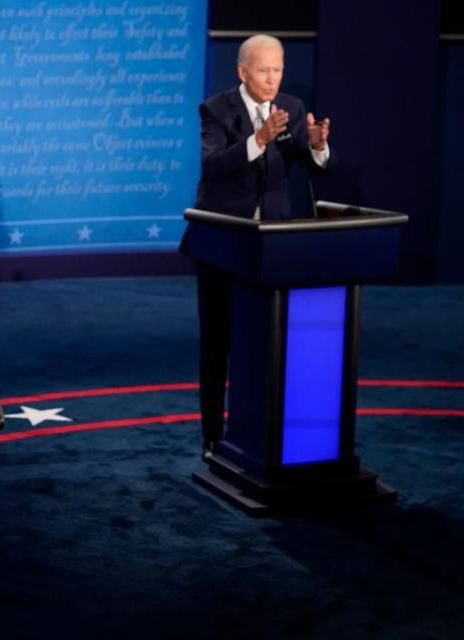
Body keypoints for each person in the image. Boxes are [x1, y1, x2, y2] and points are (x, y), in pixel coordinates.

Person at [181, 34, 333, 460]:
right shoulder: (215, 109)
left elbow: (310, 162)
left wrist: (318, 146)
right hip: (222, 245)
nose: (272, 79)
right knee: (217, 344)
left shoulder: (293, 107)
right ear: (242, 71)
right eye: (263, 70)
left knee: (273, 343)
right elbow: (212, 167)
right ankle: (213, 437)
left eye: (278, 69)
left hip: (275, 248)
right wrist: (258, 140)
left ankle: (266, 433)